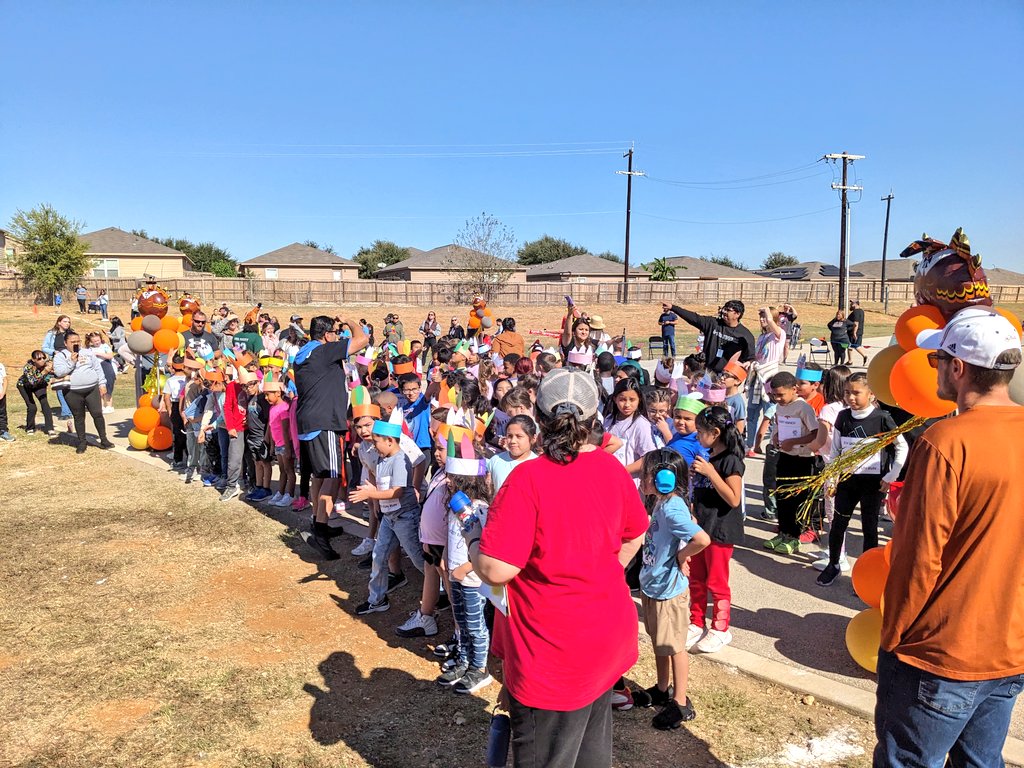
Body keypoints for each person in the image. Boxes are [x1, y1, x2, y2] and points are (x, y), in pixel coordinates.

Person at [464, 368, 648, 767]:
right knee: (589, 752)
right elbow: (635, 533)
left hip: (552, 651)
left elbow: (495, 570)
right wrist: (602, 574)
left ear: (540, 420)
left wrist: (473, 539)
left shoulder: (527, 478)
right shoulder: (611, 468)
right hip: (605, 636)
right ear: (594, 417)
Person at [876, 308, 1024, 767]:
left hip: (942, 652)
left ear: (958, 368)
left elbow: (919, 558)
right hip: (1010, 648)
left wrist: (893, 638)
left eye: (936, 359)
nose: (934, 368)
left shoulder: (946, 441)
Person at [632, 449, 710, 729]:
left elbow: (702, 539)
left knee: (675, 646)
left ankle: (680, 702)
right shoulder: (662, 502)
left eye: (645, 474)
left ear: (663, 478)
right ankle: (662, 688)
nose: (641, 478)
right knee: (660, 642)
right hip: (654, 585)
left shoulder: (672, 507)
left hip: (668, 591)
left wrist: (681, 556)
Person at [816, 372, 907, 587]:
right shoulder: (843, 417)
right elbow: (836, 450)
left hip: (872, 485)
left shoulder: (882, 418)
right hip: (847, 482)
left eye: (856, 393)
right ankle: (834, 564)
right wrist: (833, 477)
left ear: (871, 394)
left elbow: (901, 446)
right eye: (847, 392)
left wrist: (891, 475)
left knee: (869, 527)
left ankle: (867, 572)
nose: (851, 397)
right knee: (838, 524)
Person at [294, 315, 368, 559]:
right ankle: (320, 533)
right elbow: (362, 340)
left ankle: (320, 523)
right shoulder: (324, 351)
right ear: (326, 335)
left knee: (319, 476)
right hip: (325, 422)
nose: (338, 336)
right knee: (332, 477)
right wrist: (349, 321)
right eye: (336, 332)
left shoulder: (303, 353)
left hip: (308, 421)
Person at [435, 438, 494, 695]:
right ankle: (464, 660)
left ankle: (480, 668)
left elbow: (485, 547)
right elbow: (452, 537)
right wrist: (445, 557)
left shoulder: (479, 509)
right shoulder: (454, 507)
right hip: (455, 574)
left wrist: (466, 568)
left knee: (475, 624)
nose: (448, 481)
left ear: (466, 480)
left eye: (453, 477)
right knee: (460, 620)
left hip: (471, 579)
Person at [350, 419, 424, 615]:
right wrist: (373, 493)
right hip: (389, 517)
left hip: (405, 518)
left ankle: (443, 590)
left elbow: (396, 492)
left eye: (376, 441)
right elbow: (380, 483)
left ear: (390, 441)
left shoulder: (400, 460)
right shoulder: (382, 458)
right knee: (379, 556)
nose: (373, 446)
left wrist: (371, 494)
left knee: (418, 559)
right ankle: (377, 600)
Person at [687, 406, 745, 654]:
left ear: (716, 432)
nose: (697, 436)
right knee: (696, 578)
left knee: (716, 581)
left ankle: (721, 628)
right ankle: (695, 622)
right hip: (701, 527)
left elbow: (733, 498)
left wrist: (711, 473)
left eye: (701, 431)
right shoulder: (707, 456)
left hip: (720, 529)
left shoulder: (731, 460)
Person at [764, 372, 821, 554]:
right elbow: (779, 426)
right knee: (782, 496)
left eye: (781, 395)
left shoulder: (803, 408)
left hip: (802, 459)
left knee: (797, 499)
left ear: (794, 389)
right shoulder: (779, 407)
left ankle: (794, 537)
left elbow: (815, 433)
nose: (777, 398)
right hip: (784, 456)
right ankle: (783, 532)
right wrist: (776, 437)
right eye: (774, 395)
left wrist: (794, 442)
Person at [52, 331, 113, 453]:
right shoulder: (60, 356)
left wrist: (102, 383)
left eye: (78, 341)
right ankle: (82, 442)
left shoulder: (87, 352)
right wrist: (71, 362)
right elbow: (59, 372)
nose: (76, 344)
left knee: (97, 414)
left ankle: (104, 439)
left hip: (91, 389)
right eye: (72, 342)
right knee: (79, 417)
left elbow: (97, 368)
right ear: (65, 343)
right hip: (72, 391)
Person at [661, 300, 756, 373]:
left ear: (737, 314)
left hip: (726, 377)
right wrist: (673, 307)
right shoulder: (713, 323)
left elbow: (749, 359)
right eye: (724, 309)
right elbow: (694, 318)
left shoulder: (745, 335)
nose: (724, 312)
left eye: (728, 310)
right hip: (706, 371)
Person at [746, 306, 786, 454]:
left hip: (770, 380)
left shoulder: (779, 335)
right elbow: (758, 358)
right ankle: (750, 445)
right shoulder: (762, 337)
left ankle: (773, 444)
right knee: (751, 414)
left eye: (765, 317)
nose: (762, 319)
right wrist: (750, 364)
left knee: (771, 413)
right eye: (760, 317)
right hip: (756, 379)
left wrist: (767, 310)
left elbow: (770, 320)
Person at [486, 414, 538, 492]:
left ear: (533, 438)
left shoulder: (539, 466)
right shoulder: (495, 461)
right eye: (510, 436)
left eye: (519, 436)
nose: (513, 441)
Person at [17, 351, 55, 435]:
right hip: (25, 385)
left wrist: (52, 369)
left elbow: (54, 375)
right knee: (32, 407)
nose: (42, 360)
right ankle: (30, 428)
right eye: (39, 359)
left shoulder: (47, 365)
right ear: (33, 360)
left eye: (44, 358)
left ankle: (50, 428)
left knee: (45, 404)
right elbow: (32, 381)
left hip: (40, 385)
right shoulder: (28, 367)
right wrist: (44, 372)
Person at [846, 300, 868, 365]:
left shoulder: (856, 312)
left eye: (852, 303)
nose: (850, 305)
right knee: (851, 346)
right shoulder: (861, 311)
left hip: (854, 332)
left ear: (856, 304)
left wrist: (854, 333)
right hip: (859, 331)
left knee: (853, 345)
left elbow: (856, 323)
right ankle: (850, 361)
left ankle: (864, 356)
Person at [0, 351, 11, 441]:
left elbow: (5, 379)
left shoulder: (1, 366)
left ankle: (3, 431)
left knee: (2, 414)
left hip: (1, 394)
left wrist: (3, 392)